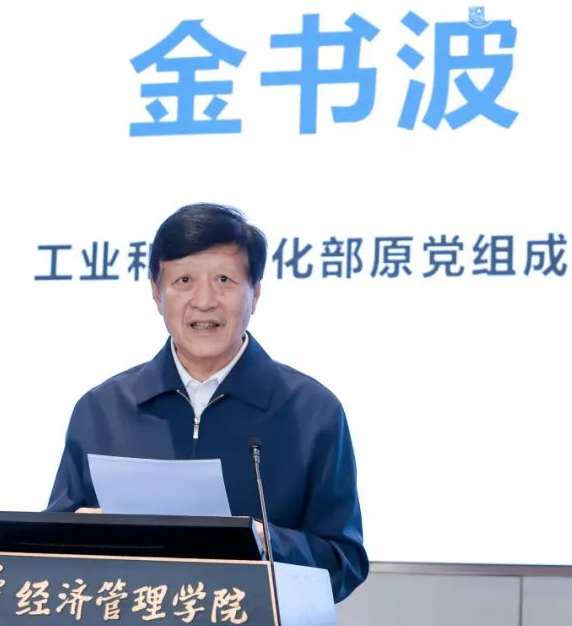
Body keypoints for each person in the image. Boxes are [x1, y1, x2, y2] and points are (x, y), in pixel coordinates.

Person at [46, 203, 368, 602]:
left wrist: (264, 540)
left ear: (255, 293)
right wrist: (84, 534)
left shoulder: (312, 412)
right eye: (183, 280)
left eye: (224, 280)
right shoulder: (102, 410)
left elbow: (344, 562)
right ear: (156, 292)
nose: (204, 301)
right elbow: (50, 552)